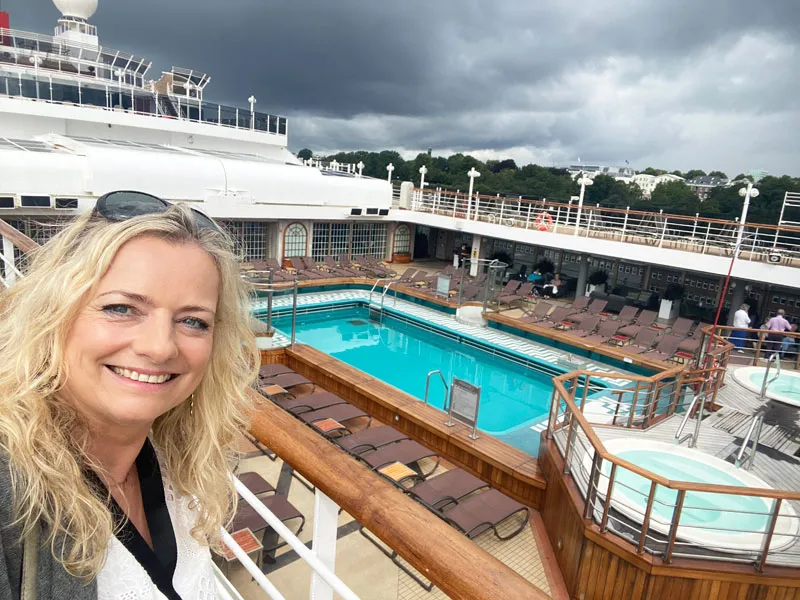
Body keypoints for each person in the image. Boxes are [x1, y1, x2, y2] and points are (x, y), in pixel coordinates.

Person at [0, 191, 259, 599]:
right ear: (54, 314)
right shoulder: (11, 489)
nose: (160, 348)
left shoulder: (176, 458)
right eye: (121, 308)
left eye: (192, 320)